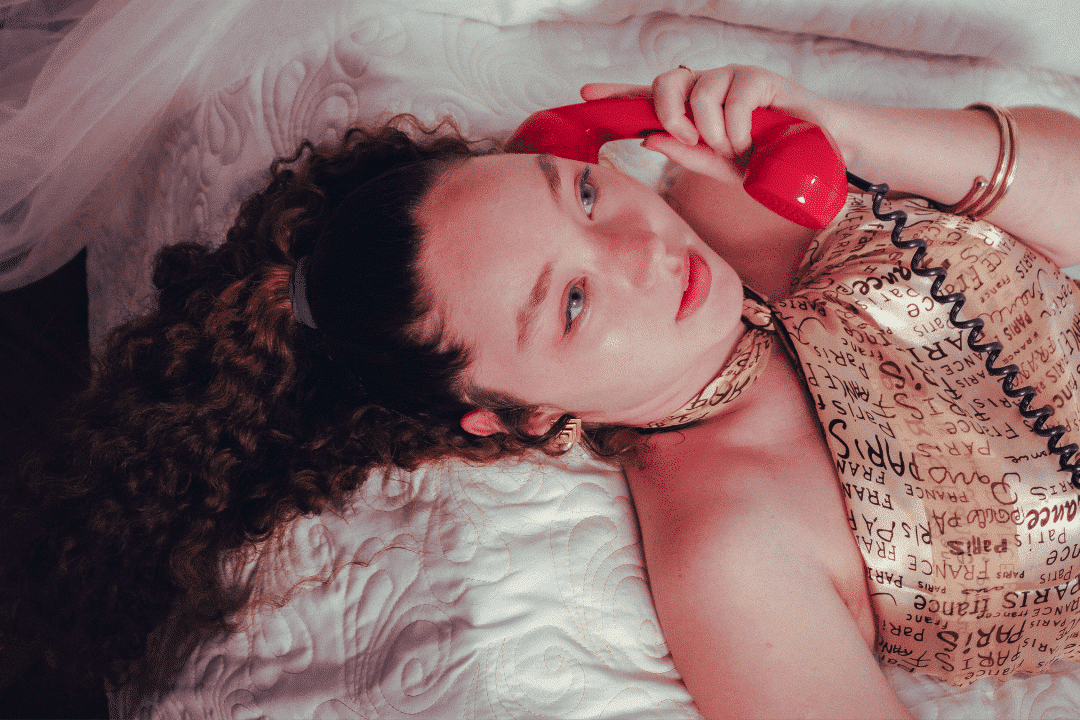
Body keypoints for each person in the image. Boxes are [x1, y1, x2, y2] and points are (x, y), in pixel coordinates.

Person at [3, 63, 1079, 719]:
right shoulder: (731, 565)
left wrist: (838, 125)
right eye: (568, 303)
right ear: (519, 417)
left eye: (584, 190)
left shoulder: (720, 188)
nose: (640, 250)